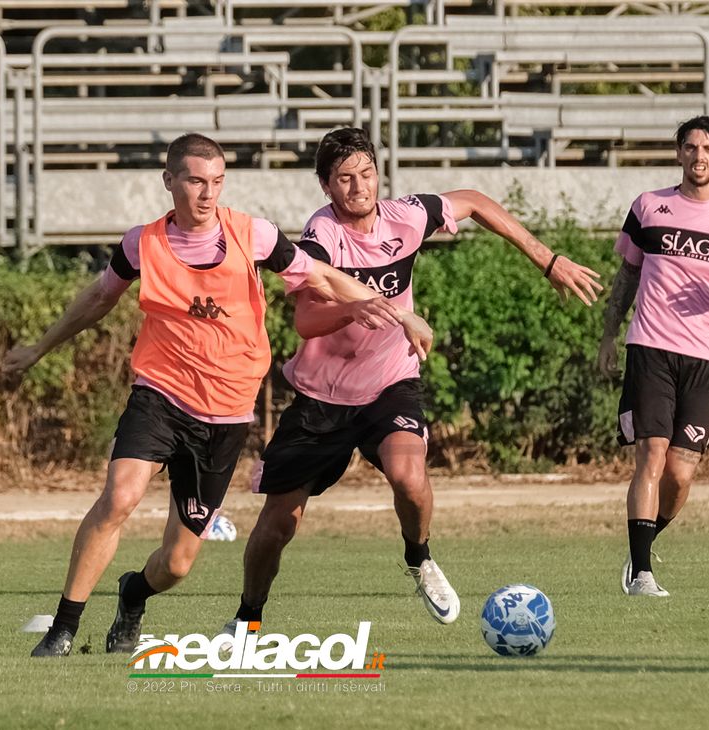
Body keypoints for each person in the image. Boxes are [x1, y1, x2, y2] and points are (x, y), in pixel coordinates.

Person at [1, 133, 433, 658]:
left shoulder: (254, 235)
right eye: (196, 181)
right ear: (170, 181)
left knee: (178, 564)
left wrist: (399, 312)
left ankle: (133, 593)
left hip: (226, 412)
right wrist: (39, 348)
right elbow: (98, 298)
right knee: (120, 495)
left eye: (217, 182)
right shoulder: (143, 243)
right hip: (159, 393)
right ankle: (63, 629)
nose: (208, 194)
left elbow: (322, 274)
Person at [223, 127, 603, 634]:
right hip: (322, 398)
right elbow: (305, 322)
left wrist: (547, 259)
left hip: (390, 382)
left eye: (366, 173)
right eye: (344, 178)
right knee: (278, 525)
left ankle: (419, 558)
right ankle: (248, 618)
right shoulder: (322, 237)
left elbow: (474, 201)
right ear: (325, 186)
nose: (358, 186)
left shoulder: (406, 216)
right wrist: (362, 306)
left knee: (410, 477)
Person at [598, 115, 709, 597]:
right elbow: (626, 277)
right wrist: (609, 336)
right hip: (650, 347)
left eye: (708, 148)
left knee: (679, 476)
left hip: (706, 359)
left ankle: (643, 543)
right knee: (650, 457)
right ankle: (642, 575)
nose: (699, 156)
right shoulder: (649, 207)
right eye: (691, 147)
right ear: (679, 152)